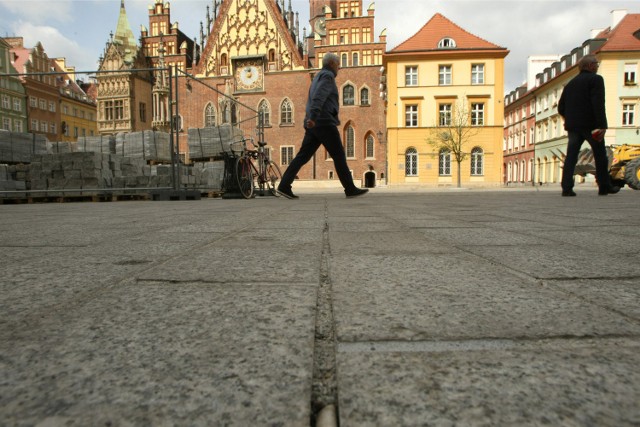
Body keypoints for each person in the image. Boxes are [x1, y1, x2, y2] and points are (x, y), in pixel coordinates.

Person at [277, 53, 368, 199]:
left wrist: (310, 119)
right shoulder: (327, 76)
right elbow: (319, 96)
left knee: (302, 156)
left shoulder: (318, 76)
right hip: (324, 122)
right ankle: (350, 188)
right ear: (332, 64)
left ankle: (283, 185)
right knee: (338, 155)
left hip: (315, 123)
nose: (340, 67)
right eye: (338, 64)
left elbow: (313, 98)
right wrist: (313, 116)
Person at [558, 54, 619, 197]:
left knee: (571, 156)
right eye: (596, 64)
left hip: (573, 127)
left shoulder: (570, 84)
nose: (597, 67)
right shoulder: (596, 79)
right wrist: (602, 125)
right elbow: (598, 103)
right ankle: (604, 186)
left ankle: (566, 187)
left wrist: (570, 118)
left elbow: (561, 107)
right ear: (591, 66)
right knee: (600, 155)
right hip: (591, 125)